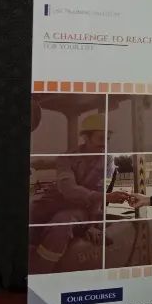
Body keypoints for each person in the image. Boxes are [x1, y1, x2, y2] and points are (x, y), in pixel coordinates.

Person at [29, 112, 131, 273]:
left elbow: (98, 198)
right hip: (56, 202)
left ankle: (41, 270)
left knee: (62, 223)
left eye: (107, 139)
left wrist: (93, 225)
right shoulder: (66, 158)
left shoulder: (107, 162)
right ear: (86, 138)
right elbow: (67, 188)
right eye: (101, 139)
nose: (104, 144)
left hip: (80, 209)